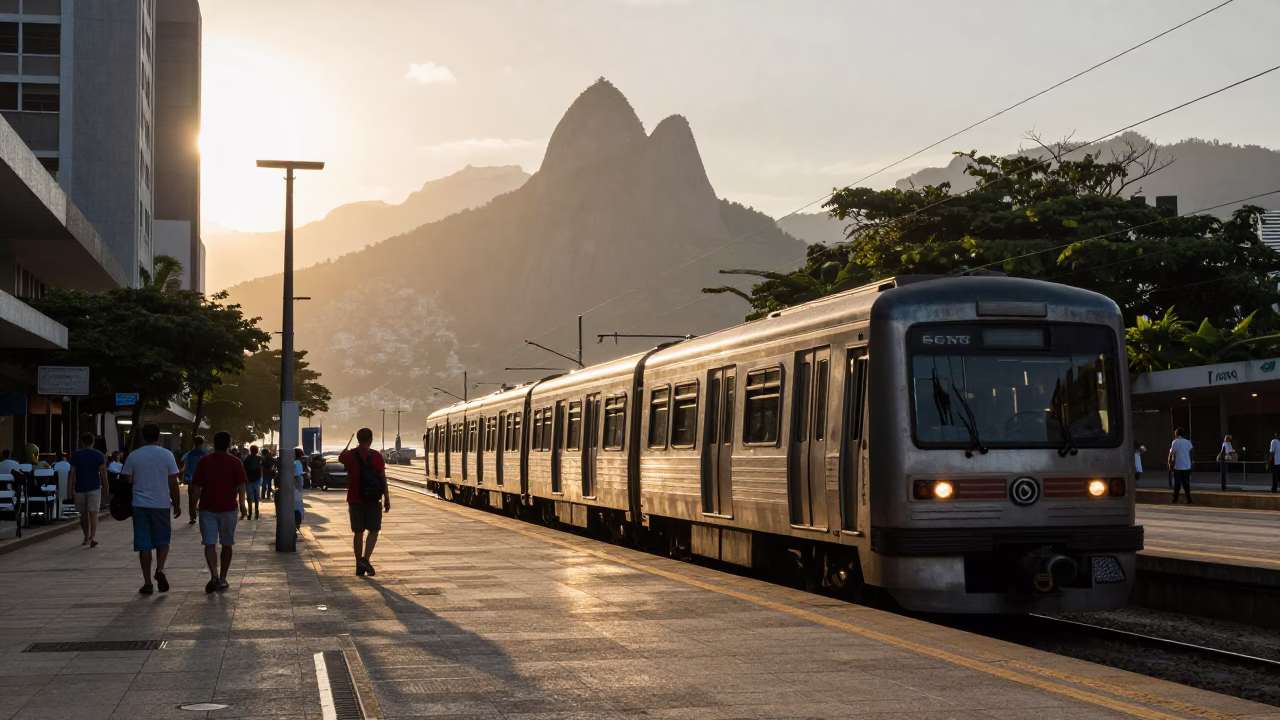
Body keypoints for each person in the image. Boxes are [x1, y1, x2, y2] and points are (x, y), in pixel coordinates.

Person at [121, 423, 181, 594]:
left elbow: (127, 480)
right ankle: (160, 570)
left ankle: (147, 582)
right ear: (159, 436)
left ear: (142, 437)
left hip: (139, 504)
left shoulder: (134, 455)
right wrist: (176, 503)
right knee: (163, 541)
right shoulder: (167, 455)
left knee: (144, 544)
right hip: (161, 504)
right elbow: (173, 482)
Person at [191, 431, 247, 593]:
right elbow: (241, 486)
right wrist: (243, 506)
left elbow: (196, 487)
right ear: (229, 444)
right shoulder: (235, 462)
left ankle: (214, 576)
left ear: (214, 444)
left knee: (209, 543)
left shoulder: (204, 461)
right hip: (229, 508)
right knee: (227, 543)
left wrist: (194, 506)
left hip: (207, 508)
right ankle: (222, 577)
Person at [339, 428, 390, 577]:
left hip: (354, 499)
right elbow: (382, 477)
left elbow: (340, 457)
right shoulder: (376, 456)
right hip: (373, 499)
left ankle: (358, 563)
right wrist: (386, 498)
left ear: (358, 439)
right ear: (371, 439)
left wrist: (347, 447)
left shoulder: (349, 456)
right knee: (373, 530)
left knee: (358, 532)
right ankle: (365, 559)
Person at [67, 433, 107, 547]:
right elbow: (104, 474)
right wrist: (106, 488)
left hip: (80, 487)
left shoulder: (76, 455)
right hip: (94, 486)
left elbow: (72, 474)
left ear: (82, 442)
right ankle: (92, 536)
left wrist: (69, 490)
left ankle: (86, 537)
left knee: (83, 513)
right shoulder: (99, 455)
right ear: (93, 442)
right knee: (93, 512)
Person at [181, 437, 207, 525]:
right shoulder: (204, 454)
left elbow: (183, 463)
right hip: (201, 479)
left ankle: (192, 516)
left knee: (191, 497)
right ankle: (200, 513)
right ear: (201, 444)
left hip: (190, 478)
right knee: (202, 497)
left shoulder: (188, 454)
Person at [1169, 427, 1194, 505]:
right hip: (1187, 465)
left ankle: (1175, 500)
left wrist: (1170, 463)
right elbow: (1192, 452)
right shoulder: (1188, 442)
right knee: (1186, 484)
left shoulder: (1175, 442)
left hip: (1178, 465)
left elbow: (1172, 453)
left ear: (1176, 434)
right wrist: (1191, 461)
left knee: (1177, 484)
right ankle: (1189, 499)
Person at [242, 445, 264, 520]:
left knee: (249, 498)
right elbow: (261, 468)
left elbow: (243, 470)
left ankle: (250, 513)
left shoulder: (247, 459)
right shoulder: (259, 459)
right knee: (256, 497)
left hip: (249, 480)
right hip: (257, 479)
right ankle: (257, 512)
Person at [292, 448, 307, 531]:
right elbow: (297, 476)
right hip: (296, 489)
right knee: (297, 507)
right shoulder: (297, 463)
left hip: (295, 489)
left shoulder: (293, 463)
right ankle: (296, 525)